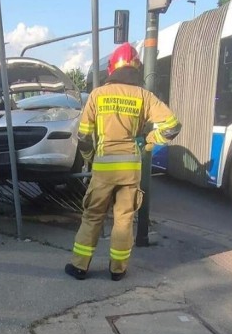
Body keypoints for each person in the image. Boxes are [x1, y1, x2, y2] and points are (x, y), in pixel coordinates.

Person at [65, 43, 181, 281]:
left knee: (93, 216)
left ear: (112, 68)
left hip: (104, 168)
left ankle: (79, 267)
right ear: (136, 67)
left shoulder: (98, 94)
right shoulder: (143, 96)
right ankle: (117, 270)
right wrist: (147, 141)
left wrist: (90, 159)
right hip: (130, 169)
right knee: (124, 219)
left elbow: (84, 137)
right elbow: (172, 126)